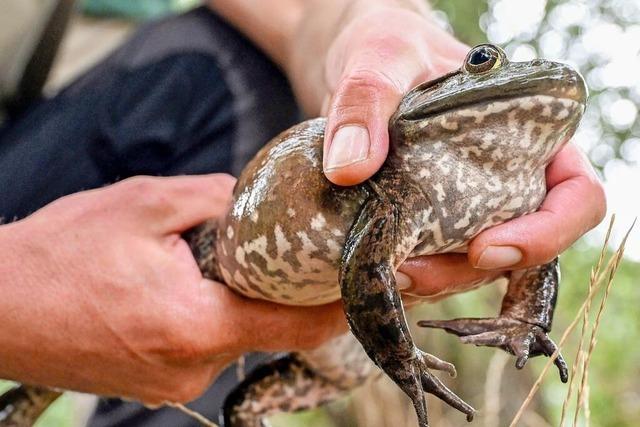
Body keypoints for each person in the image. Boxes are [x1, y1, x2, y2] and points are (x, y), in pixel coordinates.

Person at [0, 0, 606, 425]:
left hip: (63, 118)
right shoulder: (403, 188)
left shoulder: (504, 190)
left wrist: (369, 18)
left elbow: (532, 265)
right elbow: (367, 267)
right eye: (481, 63)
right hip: (191, 242)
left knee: (245, 56)